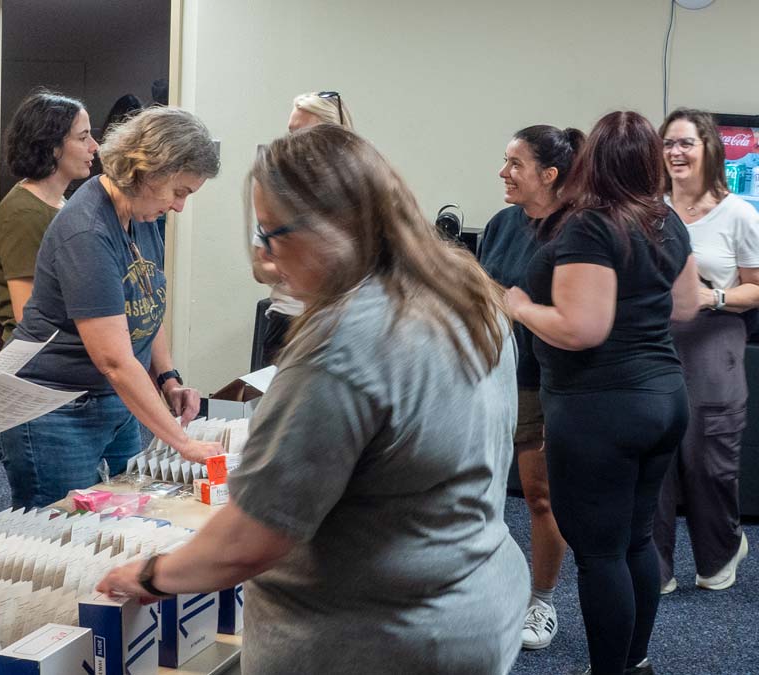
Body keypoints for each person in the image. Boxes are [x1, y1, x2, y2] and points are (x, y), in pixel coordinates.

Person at [98, 125, 528, 674]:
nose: (269, 261)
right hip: (473, 601)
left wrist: (151, 575)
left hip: (375, 641)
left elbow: (253, 538)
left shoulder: (344, 341)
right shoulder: (464, 291)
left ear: (333, 226)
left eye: (273, 235)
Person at [505, 110, 701, 675]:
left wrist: (520, 305)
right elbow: (686, 306)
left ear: (590, 162)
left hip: (600, 409)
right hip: (665, 400)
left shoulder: (590, 225)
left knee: (600, 554)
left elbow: (580, 328)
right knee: (636, 541)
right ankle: (634, 662)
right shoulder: (665, 219)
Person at [0, 107, 223, 508]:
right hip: (59, 412)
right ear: (149, 170)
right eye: (180, 192)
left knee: (129, 516)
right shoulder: (88, 230)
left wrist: (168, 377)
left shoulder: (143, 214)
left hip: (115, 402)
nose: (180, 206)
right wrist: (184, 444)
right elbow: (115, 361)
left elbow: (147, 302)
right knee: (61, 534)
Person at [479, 124, 584, 650]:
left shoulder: (578, 231)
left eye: (515, 164)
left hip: (549, 384)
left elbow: (570, 317)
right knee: (482, 490)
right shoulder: (501, 224)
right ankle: (485, 591)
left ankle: (541, 601)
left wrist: (513, 302)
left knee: (541, 497)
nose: (503, 172)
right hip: (495, 377)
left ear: (549, 175)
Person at [654, 108, 758, 593]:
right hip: (654, 340)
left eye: (686, 143)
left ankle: (721, 549)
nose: (676, 152)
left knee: (705, 454)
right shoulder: (651, 211)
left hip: (716, 334)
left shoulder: (738, 214)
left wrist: (712, 296)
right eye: (669, 143)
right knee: (653, 451)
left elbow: (756, 289)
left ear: (709, 149)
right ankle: (652, 565)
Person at [250, 91, 354, 367]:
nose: (291, 143)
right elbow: (260, 269)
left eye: (303, 133)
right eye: (290, 132)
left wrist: (289, 264)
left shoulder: (357, 194)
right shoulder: (275, 190)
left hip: (339, 328)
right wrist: (299, 266)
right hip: (286, 323)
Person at [0, 91, 98, 347]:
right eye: (83, 137)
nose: (94, 146)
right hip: (38, 360)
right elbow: (29, 315)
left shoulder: (58, 203)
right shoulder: (24, 214)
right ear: (53, 146)